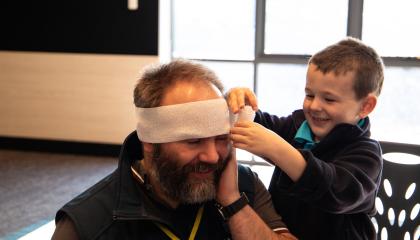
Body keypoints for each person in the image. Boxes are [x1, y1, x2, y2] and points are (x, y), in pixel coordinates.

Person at [52, 59, 297, 240]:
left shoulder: (242, 185)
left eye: (222, 138)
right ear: (149, 141)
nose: (212, 156)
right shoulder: (87, 225)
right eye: (193, 141)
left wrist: (233, 205)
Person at [227, 37, 384, 240]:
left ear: (366, 106)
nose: (314, 106)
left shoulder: (366, 154)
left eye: (329, 99)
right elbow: (255, 123)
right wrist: (239, 104)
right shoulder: (297, 126)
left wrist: (279, 149)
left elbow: (335, 191)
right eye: (310, 95)